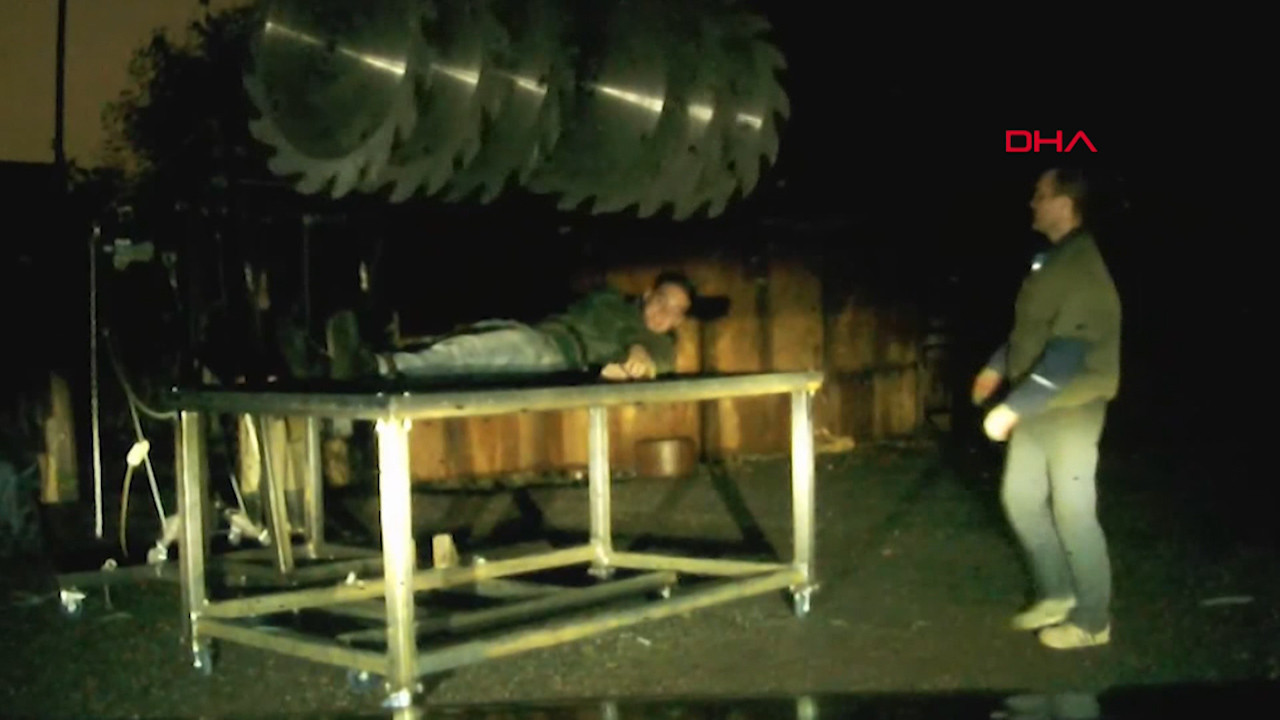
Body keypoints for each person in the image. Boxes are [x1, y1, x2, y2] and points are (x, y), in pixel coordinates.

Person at [972, 166, 1122, 650]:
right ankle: (1058, 593)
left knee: (1073, 512)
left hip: (1072, 405)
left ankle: (1093, 620)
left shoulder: (1082, 269)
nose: (1032, 203)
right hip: (1038, 402)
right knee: (1020, 499)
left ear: (1064, 204)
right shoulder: (1053, 260)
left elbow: (1066, 357)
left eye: (1040, 195)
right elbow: (1031, 332)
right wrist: (997, 366)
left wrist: (1011, 409)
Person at [319, 271, 698, 383]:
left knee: (471, 353)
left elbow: (654, 359)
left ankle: (376, 367)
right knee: (462, 339)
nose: (663, 314)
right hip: (543, 334)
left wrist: (640, 356)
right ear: (648, 295)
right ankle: (341, 361)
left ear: (680, 320)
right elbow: (618, 322)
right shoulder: (612, 301)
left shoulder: (661, 344)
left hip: (559, 356)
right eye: (662, 301)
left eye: (675, 311)